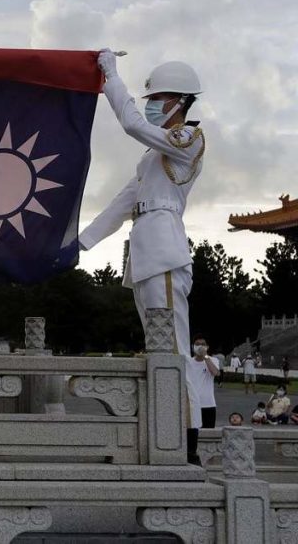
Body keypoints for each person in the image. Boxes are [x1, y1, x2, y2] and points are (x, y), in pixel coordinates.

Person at [81, 52, 205, 452]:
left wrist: (110, 78)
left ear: (181, 103)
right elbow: (121, 205)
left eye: (160, 98)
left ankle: (186, 441)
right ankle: (167, 432)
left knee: (174, 350)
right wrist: (79, 245)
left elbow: (132, 123)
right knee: (159, 350)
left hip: (165, 252)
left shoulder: (188, 139)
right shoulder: (151, 157)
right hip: (146, 253)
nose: (153, 104)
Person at [186, 338, 219, 463]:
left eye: (203, 344)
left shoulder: (212, 360)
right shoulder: (188, 361)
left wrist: (205, 356)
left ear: (207, 346)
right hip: (192, 404)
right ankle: (193, 460)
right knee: (192, 435)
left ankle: (209, 462)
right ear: (192, 346)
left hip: (208, 404)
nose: (200, 346)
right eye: (197, 344)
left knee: (208, 436)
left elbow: (215, 373)